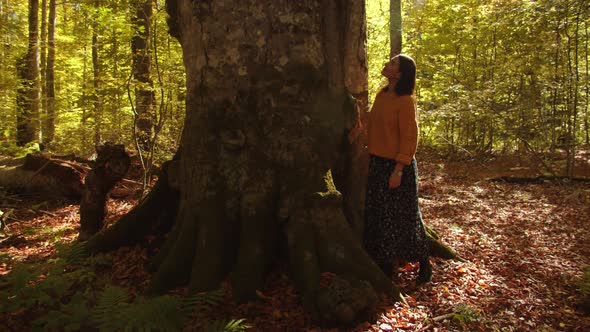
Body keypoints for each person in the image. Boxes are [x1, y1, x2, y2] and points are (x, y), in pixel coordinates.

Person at [363, 53, 432, 283]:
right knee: (380, 216)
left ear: (400, 74)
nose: (387, 64)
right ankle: (386, 266)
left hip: (397, 166)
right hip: (378, 163)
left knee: (405, 217)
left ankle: (424, 262)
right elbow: (373, 122)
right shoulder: (382, 95)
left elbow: (410, 137)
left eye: (393, 63)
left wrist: (399, 169)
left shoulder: (405, 101)